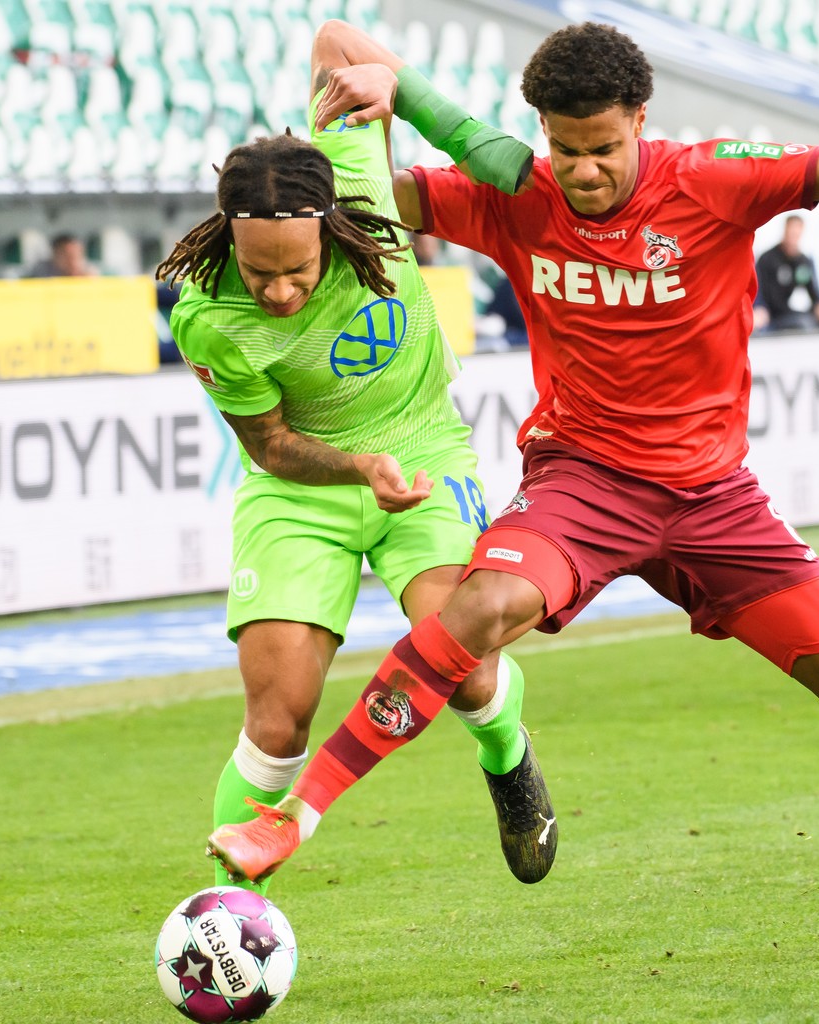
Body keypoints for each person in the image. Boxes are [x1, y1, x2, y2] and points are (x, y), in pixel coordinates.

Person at [209, 19, 819, 938]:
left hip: (715, 498)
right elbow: (346, 167)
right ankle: (294, 815)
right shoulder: (516, 194)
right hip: (583, 484)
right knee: (468, 619)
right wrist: (360, 132)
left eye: (603, 148)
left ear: (642, 118)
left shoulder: (713, 179)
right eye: (563, 148)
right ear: (540, 133)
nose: (584, 171)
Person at [164, 21, 556, 891]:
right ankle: (231, 916)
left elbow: (336, 37)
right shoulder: (205, 313)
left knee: (464, 668)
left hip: (424, 449)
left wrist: (402, 90)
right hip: (303, 486)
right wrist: (354, 470)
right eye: (258, 271)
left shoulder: (363, 183)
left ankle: (507, 756)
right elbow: (268, 445)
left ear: (330, 224)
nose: (277, 291)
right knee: (279, 717)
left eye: (295, 272)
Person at [753, 215, 819, 332]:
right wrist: (759, 309)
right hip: (774, 316)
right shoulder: (768, 259)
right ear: (785, 231)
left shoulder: (804, 262)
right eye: (791, 233)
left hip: (798, 315)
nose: (793, 238)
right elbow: (758, 291)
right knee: (803, 324)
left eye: (796, 234)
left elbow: (814, 296)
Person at [25, 232, 95, 278]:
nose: (73, 261)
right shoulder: (42, 271)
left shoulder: (88, 272)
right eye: (68, 256)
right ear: (55, 255)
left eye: (78, 256)